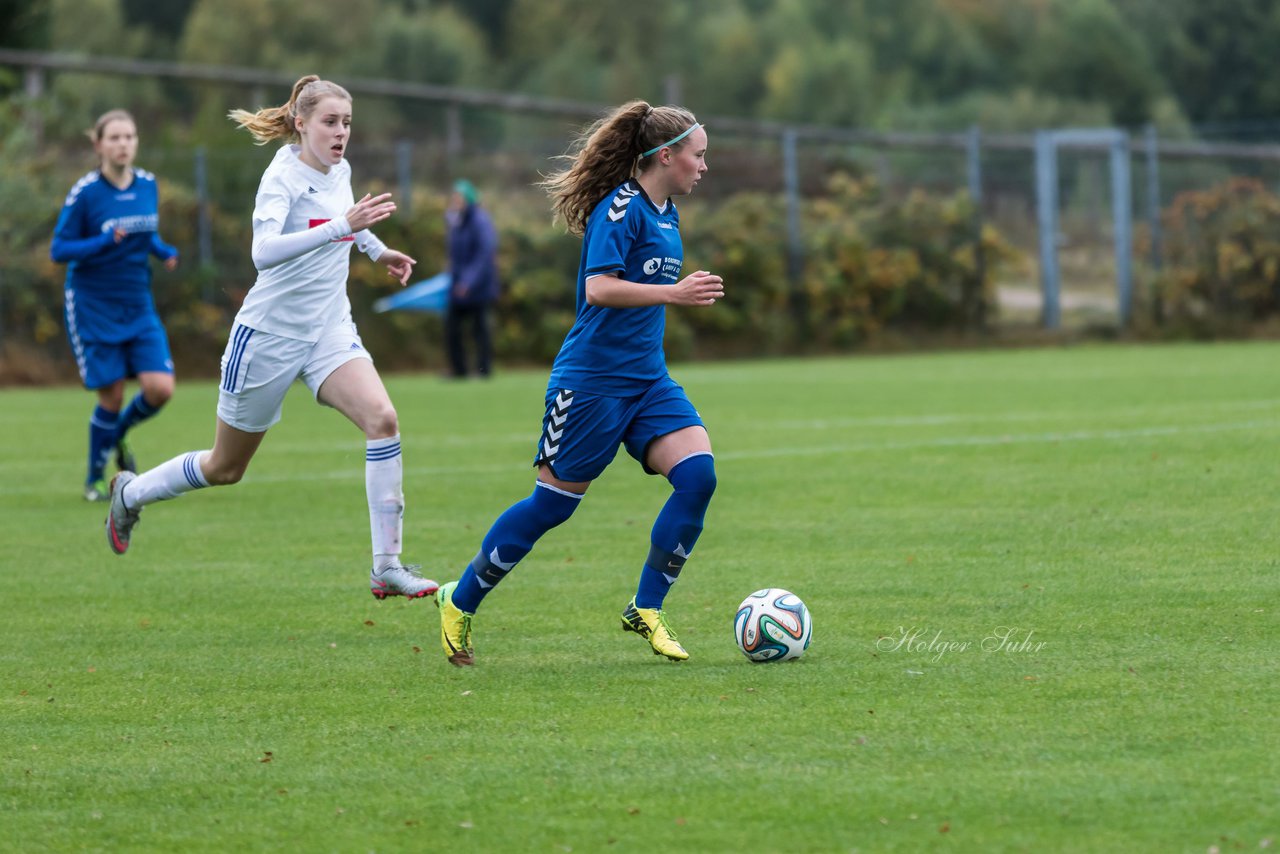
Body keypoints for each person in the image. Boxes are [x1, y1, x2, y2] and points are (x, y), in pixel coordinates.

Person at [104, 75, 438, 601]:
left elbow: (343, 217)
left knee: (383, 420)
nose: (341, 132)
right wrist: (340, 228)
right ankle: (131, 493)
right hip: (269, 337)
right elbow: (264, 251)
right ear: (301, 123)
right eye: (330, 121)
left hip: (327, 328)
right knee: (225, 467)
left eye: (347, 123)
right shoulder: (280, 176)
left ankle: (386, 567)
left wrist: (376, 250)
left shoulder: (339, 168)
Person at [435, 100, 723, 666]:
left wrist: (673, 295)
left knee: (698, 477)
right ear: (667, 156)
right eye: (699, 155)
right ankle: (460, 600)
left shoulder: (667, 213)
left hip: (648, 382)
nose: (704, 166)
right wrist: (675, 292)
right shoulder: (620, 209)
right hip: (590, 384)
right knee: (551, 507)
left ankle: (646, 608)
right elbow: (599, 288)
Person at [51, 109, 180, 502]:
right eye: (115, 137)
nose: (123, 144)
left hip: (137, 301)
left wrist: (163, 251)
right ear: (98, 144)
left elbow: (144, 234)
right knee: (111, 396)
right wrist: (103, 242)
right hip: (93, 303)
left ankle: (119, 433)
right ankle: (94, 480)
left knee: (160, 388)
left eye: (130, 136)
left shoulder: (148, 185)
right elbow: (60, 249)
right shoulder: (86, 193)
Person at [444, 179, 500, 378]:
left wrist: (468, 281)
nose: (455, 200)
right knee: (452, 328)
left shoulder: (480, 220)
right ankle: (458, 370)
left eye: (458, 196)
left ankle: (484, 370)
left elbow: (485, 253)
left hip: (478, 286)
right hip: (457, 284)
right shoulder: (454, 219)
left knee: (480, 330)